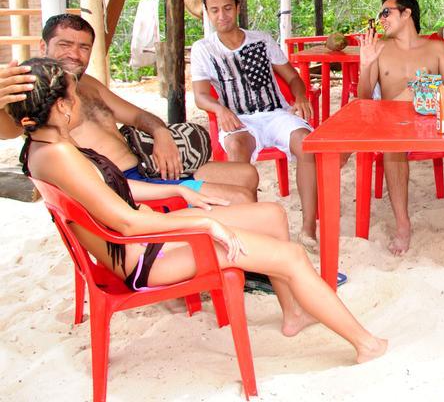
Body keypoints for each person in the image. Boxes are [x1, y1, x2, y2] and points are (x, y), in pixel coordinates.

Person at [9, 58, 386, 363]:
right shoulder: (57, 154)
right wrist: (205, 223)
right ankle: (365, 344)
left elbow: (112, 190)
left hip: (147, 235)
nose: (79, 102)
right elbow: (124, 219)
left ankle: (295, 312)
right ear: (59, 106)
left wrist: (177, 190)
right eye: (73, 97)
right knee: (290, 256)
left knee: (270, 215)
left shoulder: (48, 145)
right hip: (147, 255)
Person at [0, 14, 257, 204]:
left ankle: (246, 263)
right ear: (44, 47)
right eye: (65, 45)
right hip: (125, 189)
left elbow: (137, 115)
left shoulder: (88, 84)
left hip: (147, 168)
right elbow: (8, 129)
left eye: (84, 47)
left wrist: (161, 133)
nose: (75, 55)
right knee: (240, 198)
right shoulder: (34, 92)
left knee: (246, 174)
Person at [190, 0, 318, 247]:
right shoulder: (203, 48)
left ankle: (308, 229)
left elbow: (292, 77)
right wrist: (219, 109)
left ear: (237, 7)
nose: (221, 15)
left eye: (227, 8)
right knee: (237, 147)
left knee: (307, 145)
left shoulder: (261, 39)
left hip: (276, 113)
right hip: (239, 118)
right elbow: (201, 95)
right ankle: (253, 231)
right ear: (207, 13)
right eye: (214, 10)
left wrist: (301, 96)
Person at [356, 0, 444, 255]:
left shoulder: (435, 47)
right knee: (393, 143)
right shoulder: (379, 49)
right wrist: (366, 65)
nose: (381, 19)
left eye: (386, 12)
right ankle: (403, 224)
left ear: (406, 13)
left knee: (416, 89)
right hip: (393, 125)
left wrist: (426, 92)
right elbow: (364, 98)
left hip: (428, 119)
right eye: (380, 14)